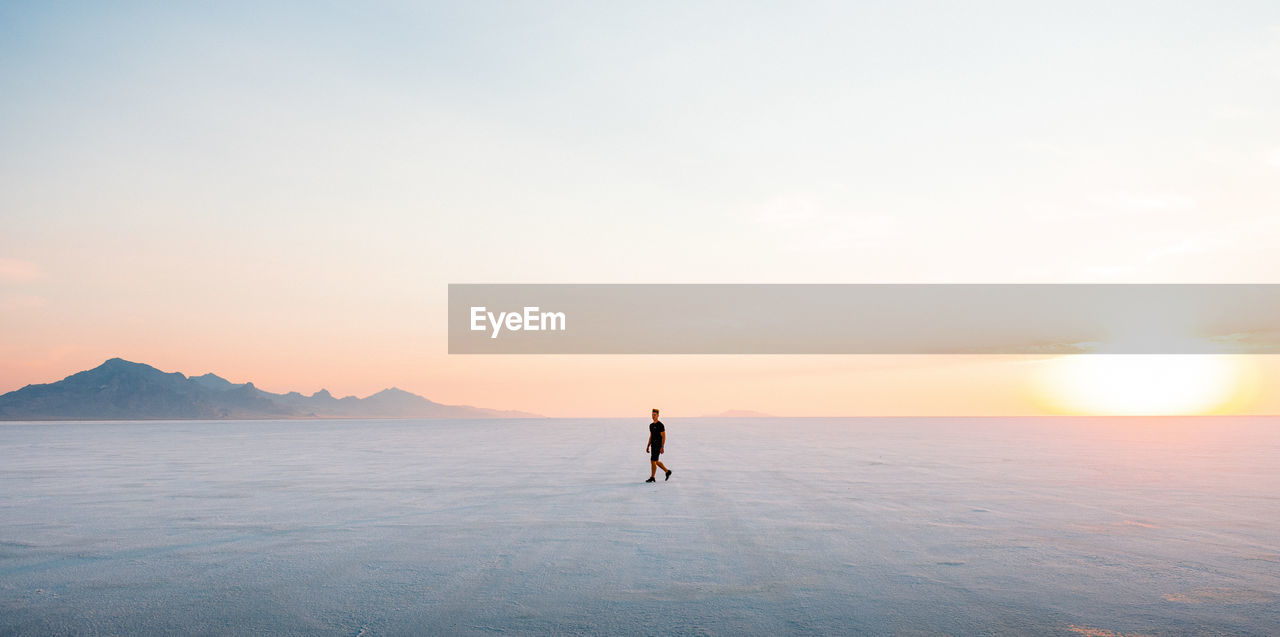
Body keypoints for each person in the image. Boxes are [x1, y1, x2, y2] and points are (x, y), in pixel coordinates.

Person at [645, 408, 672, 483]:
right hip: (653, 445)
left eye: (655, 415)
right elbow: (651, 436)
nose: (653, 416)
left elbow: (664, 437)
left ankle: (652, 477)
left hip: (658, 445)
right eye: (652, 415)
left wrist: (662, 447)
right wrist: (648, 445)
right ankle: (667, 471)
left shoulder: (660, 425)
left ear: (658, 415)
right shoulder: (651, 425)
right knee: (655, 461)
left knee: (653, 460)